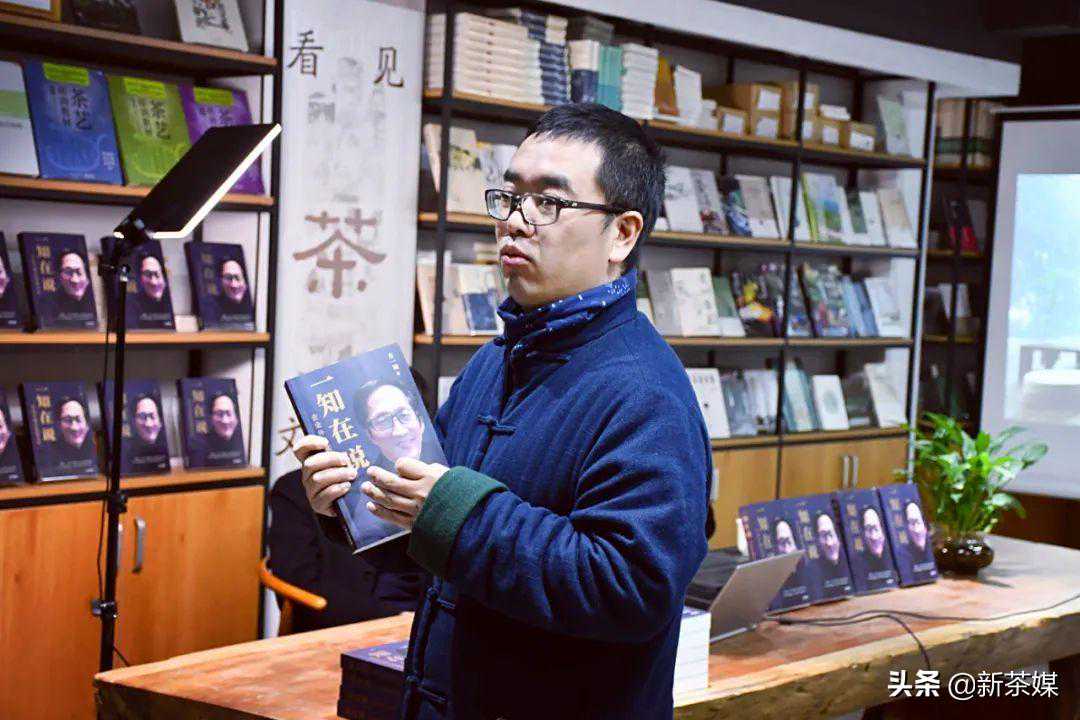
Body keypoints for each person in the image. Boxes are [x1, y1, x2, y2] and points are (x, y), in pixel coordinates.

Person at [294, 103, 710, 719]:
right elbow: (438, 552)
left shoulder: (646, 392)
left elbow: (631, 589)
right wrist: (355, 506)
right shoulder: (496, 360)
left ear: (622, 234)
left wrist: (457, 513)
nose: (515, 221)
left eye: (549, 202)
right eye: (510, 197)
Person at [268, 470, 426, 633]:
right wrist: (394, 618)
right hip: (354, 620)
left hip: (424, 612)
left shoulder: (409, 480)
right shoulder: (293, 488)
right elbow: (300, 580)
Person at [355, 379, 441, 473]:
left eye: (404, 415)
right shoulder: (367, 479)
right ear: (370, 435)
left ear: (420, 421)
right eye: (383, 421)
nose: (400, 432)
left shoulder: (449, 457)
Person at [55, 397, 96, 471]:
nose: (74, 428)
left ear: (87, 424)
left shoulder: (99, 451)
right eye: (67, 420)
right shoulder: (49, 456)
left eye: (79, 419)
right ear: (59, 425)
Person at [55, 251, 94, 319]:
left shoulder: (97, 300)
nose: (75, 280)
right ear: (59, 276)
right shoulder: (50, 303)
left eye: (80, 272)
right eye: (68, 272)